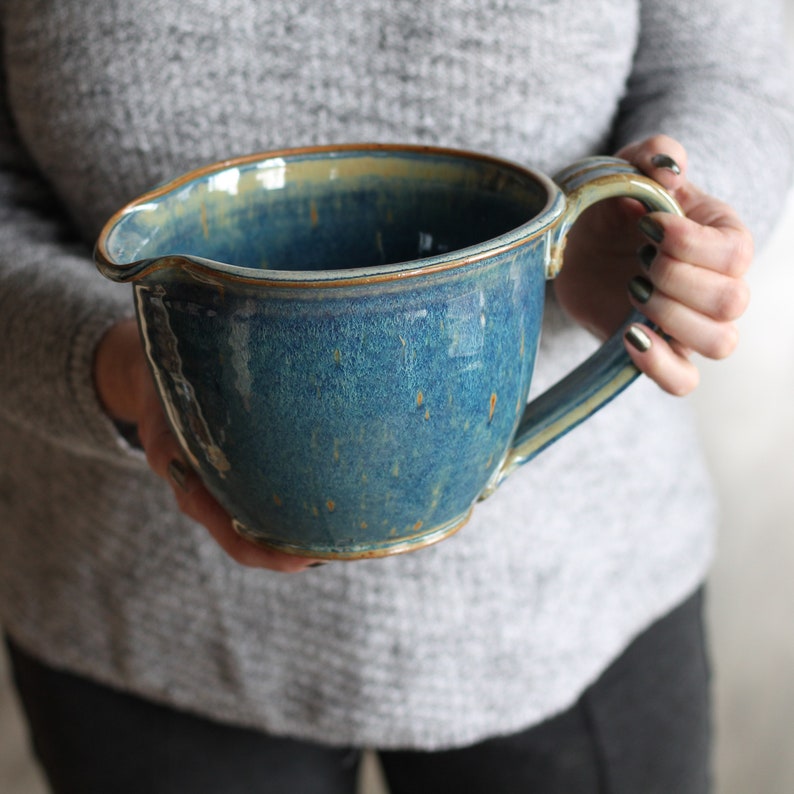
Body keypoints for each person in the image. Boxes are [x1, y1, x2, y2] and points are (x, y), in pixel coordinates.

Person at [0, 1, 791, 792]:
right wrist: (128, 367)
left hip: (572, 596)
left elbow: (728, 71)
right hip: (130, 623)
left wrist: (666, 237)